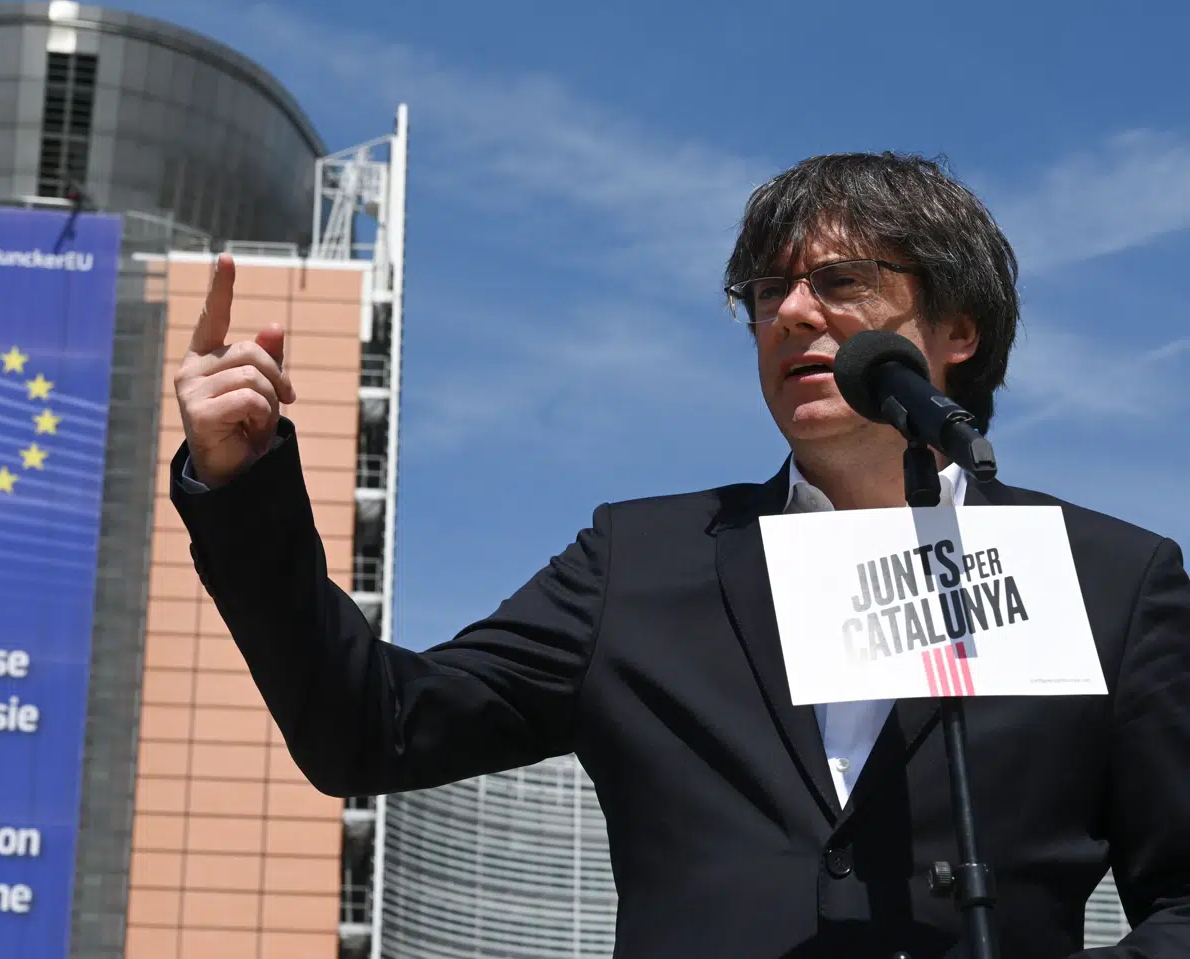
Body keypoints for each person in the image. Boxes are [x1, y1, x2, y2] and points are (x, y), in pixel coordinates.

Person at [168, 152, 1190, 958]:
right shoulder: (643, 561)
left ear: (957, 328)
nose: (792, 312)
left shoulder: (1107, 579)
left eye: (840, 280)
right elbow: (374, 727)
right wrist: (241, 483)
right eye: (766, 291)